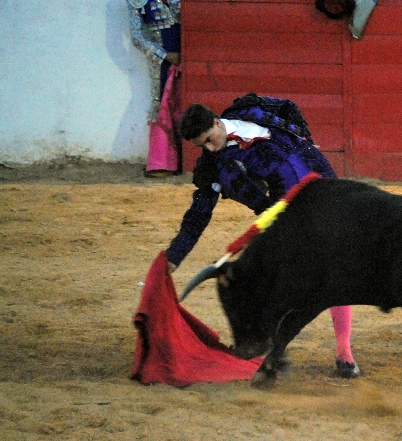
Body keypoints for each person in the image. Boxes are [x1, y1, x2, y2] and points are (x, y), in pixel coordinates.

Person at [165, 94, 360, 378]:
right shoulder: (212, 167)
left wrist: (304, 140)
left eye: (209, 139)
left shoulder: (251, 111)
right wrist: (174, 256)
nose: (209, 148)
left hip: (322, 187)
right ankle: (272, 349)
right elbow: (198, 215)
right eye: (201, 146)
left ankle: (344, 353)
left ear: (217, 123)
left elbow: (288, 106)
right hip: (285, 216)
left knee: (334, 269)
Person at [127, 0, 182, 178]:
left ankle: (184, 160)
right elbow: (137, 37)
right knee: (161, 100)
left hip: (187, 49)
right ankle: (162, 162)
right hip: (162, 58)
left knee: (183, 100)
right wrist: (165, 55)